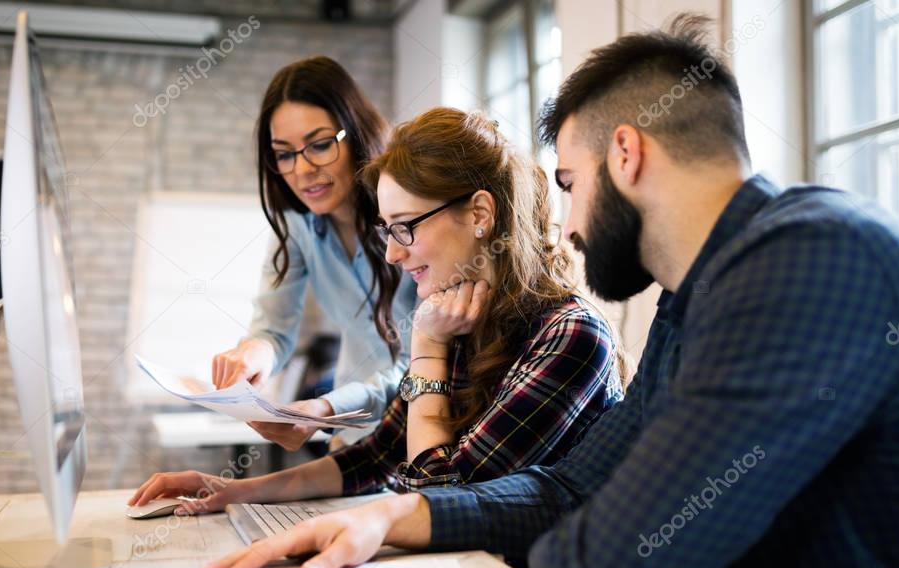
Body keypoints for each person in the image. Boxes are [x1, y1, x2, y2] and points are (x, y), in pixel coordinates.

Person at [206, 16, 899, 568]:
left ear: (625, 154)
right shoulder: (689, 299)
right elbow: (571, 484)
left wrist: (428, 503)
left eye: (570, 185)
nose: (566, 223)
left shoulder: (809, 254)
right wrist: (396, 512)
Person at [130, 108, 624, 517]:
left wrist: (428, 349)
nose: (391, 253)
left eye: (405, 226)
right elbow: (374, 458)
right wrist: (233, 490)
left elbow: (439, 499)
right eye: (386, 230)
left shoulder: (570, 336)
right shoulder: (459, 324)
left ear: (479, 214)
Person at [212, 56, 417, 449]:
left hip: (426, 428)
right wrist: (254, 354)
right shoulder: (297, 225)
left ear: (355, 132)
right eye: (284, 154)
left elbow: (421, 363)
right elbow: (274, 328)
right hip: (354, 434)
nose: (302, 169)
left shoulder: (406, 216)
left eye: (320, 145)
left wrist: (326, 408)